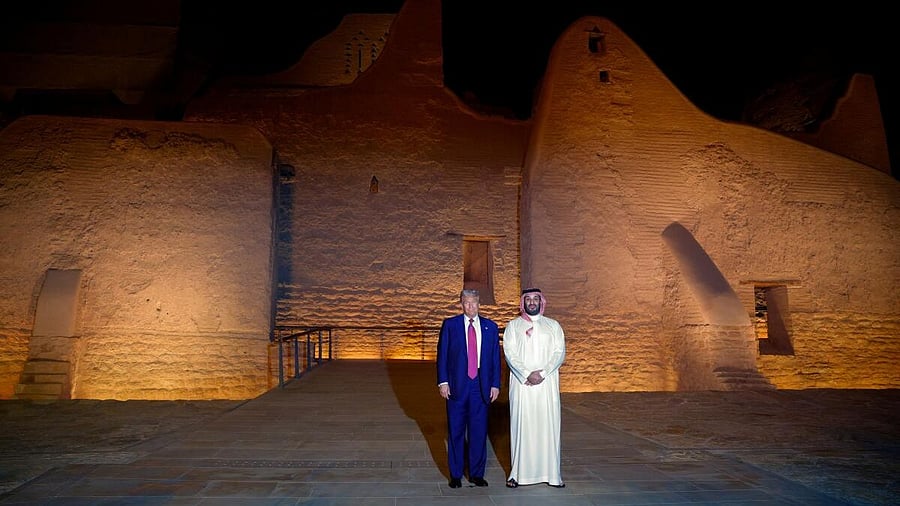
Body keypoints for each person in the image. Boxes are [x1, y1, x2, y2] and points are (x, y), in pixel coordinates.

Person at [436, 288, 501, 489]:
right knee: (455, 431)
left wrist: (495, 384)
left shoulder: (490, 327)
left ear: (479, 303)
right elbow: (443, 356)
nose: (470, 306)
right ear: (461, 304)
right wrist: (443, 382)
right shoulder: (450, 325)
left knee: (479, 432)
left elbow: (495, 359)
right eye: (466, 303)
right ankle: (455, 475)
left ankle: (476, 474)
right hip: (456, 385)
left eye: (473, 303)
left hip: (480, 386)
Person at [503, 287, 566, 488]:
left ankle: (551, 475)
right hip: (522, 386)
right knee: (522, 426)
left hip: (546, 386)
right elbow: (510, 353)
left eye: (535, 299)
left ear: (541, 302)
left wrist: (543, 373)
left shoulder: (553, 326)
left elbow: (559, 353)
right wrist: (526, 374)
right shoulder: (513, 326)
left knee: (547, 427)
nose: (532, 302)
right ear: (523, 302)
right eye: (528, 299)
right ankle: (518, 474)